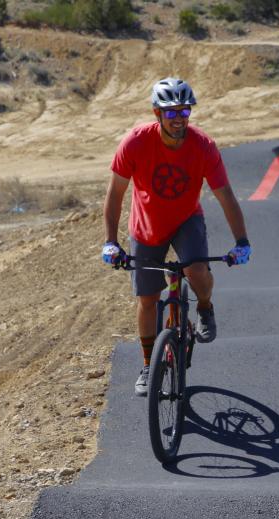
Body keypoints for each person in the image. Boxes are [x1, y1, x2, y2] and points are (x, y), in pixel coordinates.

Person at [101, 77, 251, 396]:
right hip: (146, 226)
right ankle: (147, 365)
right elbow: (115, 194)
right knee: (148, 299)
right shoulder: (135, 142)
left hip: (186, 220)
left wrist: (242, 242)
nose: (179, 117)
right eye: (172, 111)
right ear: (157, 114)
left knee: (196, 269)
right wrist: (111, 241)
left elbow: (225, 196)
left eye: (185, 110)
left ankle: (205, 308)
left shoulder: (203, 146)